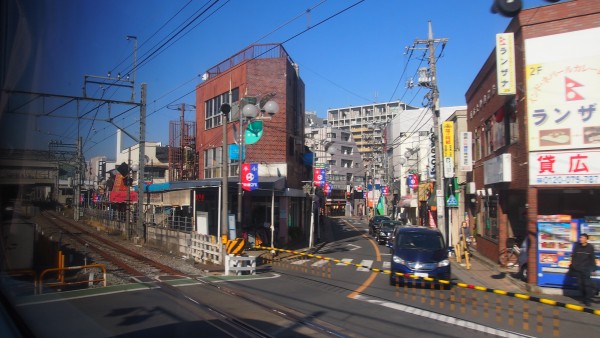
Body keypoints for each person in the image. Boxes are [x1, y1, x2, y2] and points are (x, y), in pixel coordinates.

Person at [570, 233, 597, 306]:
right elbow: (573, 256)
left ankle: (587, 300)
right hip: (578, 269)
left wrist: (594, 268)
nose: (580, 239)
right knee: (580, 285)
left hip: (586, 269)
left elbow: (592, 258)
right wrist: (574, 266)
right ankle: (583, 298)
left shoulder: (590, 247)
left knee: (587, 285)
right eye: (580, 238)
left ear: (586, 239)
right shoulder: (577, 246)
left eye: (582, 238)